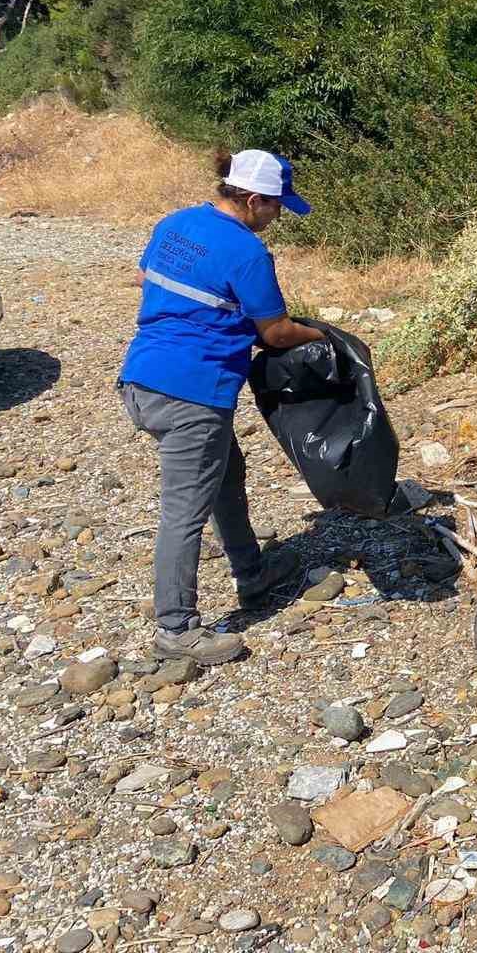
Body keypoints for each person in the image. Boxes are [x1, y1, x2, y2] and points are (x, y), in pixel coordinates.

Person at [120, 149, 325, 666]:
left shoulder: (177, 223)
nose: (278, 217)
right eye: (276, 207)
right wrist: (321, 335)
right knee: (183, 511)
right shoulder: (248, 252)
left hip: (142, 380)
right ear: (253, 200)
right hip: (192, 396)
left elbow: (147, 281)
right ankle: (175, 627)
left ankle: (252, 572)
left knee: (228, 473)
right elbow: (276, 332)